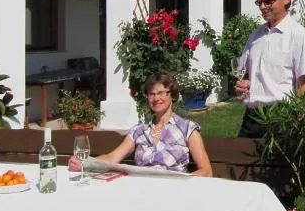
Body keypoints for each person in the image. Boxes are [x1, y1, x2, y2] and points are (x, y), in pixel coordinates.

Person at [68, 72, 212, 177]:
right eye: (151, 94)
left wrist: (183, 185)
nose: (156, 98)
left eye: (161, 93)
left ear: (172, 95)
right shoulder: (139, 130)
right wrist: (85, 162)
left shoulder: (188, 129)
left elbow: (206, 170)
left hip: (173, 190)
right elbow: (113, 157)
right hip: (141, 189)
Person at [235, 0, 305, 138]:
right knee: (237, 161)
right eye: (260, 2)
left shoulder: (299, 36)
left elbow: (303, 84)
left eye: (268, 1)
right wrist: (244, 85)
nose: (263, 7)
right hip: (252, 116)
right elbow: (246, 75)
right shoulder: (255, 35)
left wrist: (299, 121)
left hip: (281, 115)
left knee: (277, 164)